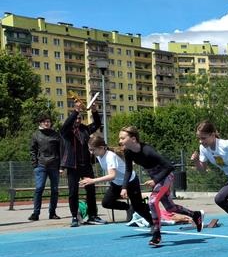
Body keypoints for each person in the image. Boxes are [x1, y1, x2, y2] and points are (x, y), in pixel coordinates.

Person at [118, 126, 204, 247]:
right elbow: (128, 170)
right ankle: (195, 215)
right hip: (157, 179)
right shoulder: (128, 152)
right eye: (119, 138)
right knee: (170, 208)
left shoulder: (147, 150)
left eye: (122, 138)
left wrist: (155, 180)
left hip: (166, 176)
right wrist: (124, 187)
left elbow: (169, 166)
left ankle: (156, 234)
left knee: (152, 202)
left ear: (133, 139)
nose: (120, 141)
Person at [79, 134, 153, 226]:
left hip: (130, 182)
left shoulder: (110, 156)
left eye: (92, 149)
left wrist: (92, 181)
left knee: (138, 207)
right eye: (90, 149)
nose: (91, 152)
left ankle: (153, 222)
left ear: (101, 147)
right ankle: (129, 208)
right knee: (106, 202)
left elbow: (112, 175)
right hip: (117, 184)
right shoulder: (98, 155)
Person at [60, 97, 106, 227]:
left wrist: (94, 111)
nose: (78, 120)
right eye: (76, 118)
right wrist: (76, 110)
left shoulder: (85, 129)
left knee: (91, 190)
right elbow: (65, 126)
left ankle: (93, 216)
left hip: (86, 165)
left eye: (80, 118)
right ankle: (75, 216)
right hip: (73, 166)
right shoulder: (66, 131)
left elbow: (97, 124)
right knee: (73, 192)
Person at [28, 112, 62, 221]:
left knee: (55, 190)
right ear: (40, 123)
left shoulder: (56, 134)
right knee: (39, 188)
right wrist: (35, 164)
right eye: (45, 122)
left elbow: (61, 150)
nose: (47, 123)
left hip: (54, 166)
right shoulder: (36, 135)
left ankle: (52, 213)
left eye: (48, 121)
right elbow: (32, 150)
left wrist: (61, 166)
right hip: (41, 166)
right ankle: (35, 213)